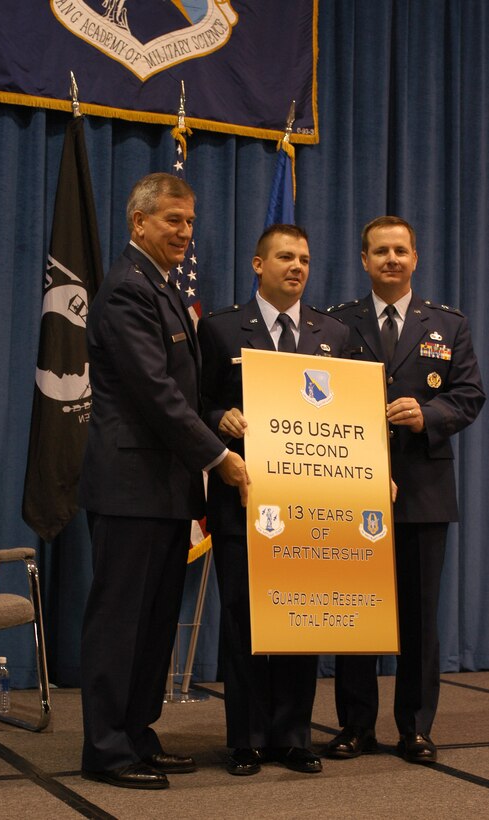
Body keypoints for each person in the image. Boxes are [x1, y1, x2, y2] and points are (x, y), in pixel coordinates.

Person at [78, 172, 249, 790]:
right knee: (120, 622)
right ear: (139, 222)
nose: (184, 231)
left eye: (190, 221)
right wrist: (219, 456)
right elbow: (154, 392)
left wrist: (216, 423)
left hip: (165, 488)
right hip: (130, 488)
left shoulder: (165, 288)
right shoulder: (128, 289)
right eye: (172, 220)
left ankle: (137, 735)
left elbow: (185, 389)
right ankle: (106, 750)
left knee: (152, 627)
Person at [325, 216, 485, 764]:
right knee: (355, 613)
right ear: (363, 260)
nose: (391, 259)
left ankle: (415, 728)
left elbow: (469, 394)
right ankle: (355, 726)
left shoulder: (448, 325)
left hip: (423, 488)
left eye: (400, 251)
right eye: (380, 251)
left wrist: (428, 414)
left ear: (415, 258)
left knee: (418, 617)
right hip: (352, 486)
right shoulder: (336, 323)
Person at [197, 224, 349, 776]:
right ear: (258, 265)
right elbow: (195, 403)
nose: (297, 267)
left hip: (310, 504)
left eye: (304, 258)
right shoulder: (220, 328)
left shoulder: (333, 333)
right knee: (244, 619)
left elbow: (348, 415)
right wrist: (220, 418)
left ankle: (292, 735)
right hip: (244, 499)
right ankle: (246, 738)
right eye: (285, 257)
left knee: (301, 618)